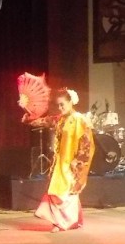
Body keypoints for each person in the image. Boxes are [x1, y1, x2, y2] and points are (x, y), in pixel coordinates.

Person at [35, 89, 92, 232]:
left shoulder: (79, 119)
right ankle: (65, 221)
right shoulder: (60, 119)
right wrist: (28, 114)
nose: (60, 108)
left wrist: (78, 159)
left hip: (72, 161)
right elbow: (43, 121)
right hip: (60, 160)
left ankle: (64, 222)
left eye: (62, 104)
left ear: (71, 102)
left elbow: (87, 143)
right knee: (56, 190)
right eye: (58, 105)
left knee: (66, 193)